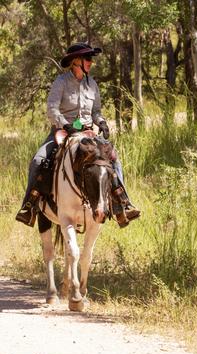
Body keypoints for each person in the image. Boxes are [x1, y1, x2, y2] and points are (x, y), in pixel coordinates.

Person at [15, 42, 140, 228]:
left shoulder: (93, 85)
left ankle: (121, 204)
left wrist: (102, 122)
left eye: (91, 59)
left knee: (113, 158)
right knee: (38, 160)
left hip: (89, 134)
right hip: (62, 132)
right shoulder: (61, 82)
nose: (91, 62)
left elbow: (96, 111)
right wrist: (66, 124)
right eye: (87, 58)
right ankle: (29, 206)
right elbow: (52, 109)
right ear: (75, 61)